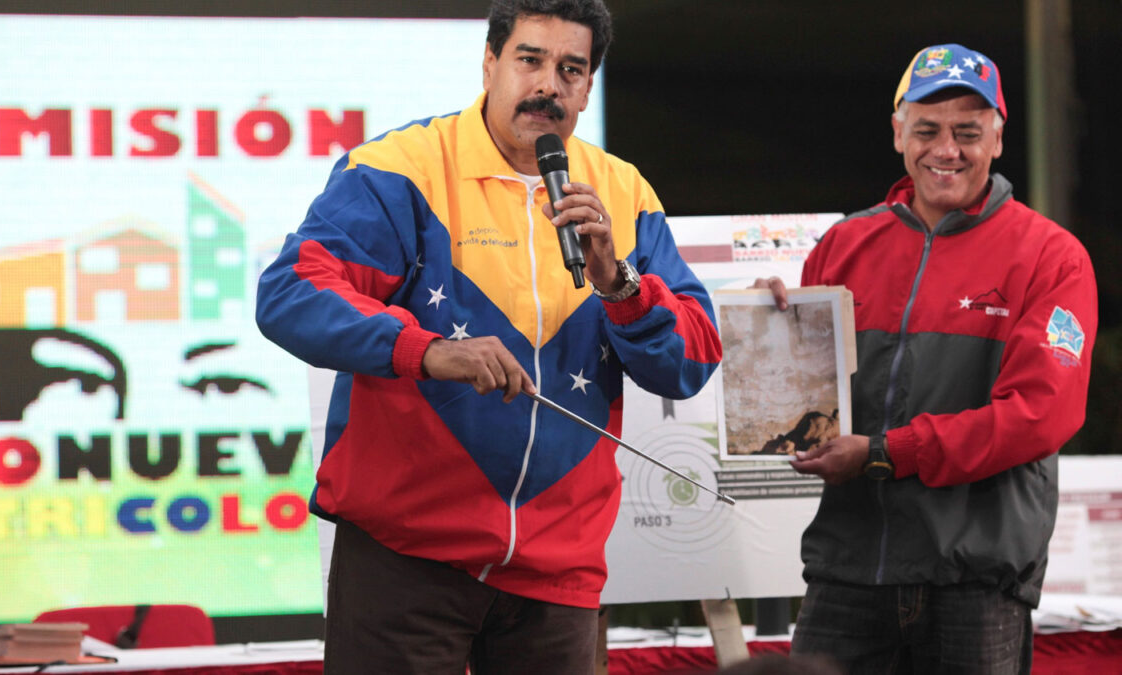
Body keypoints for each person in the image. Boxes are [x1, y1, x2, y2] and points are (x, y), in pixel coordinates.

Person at [255, 1, 722, 672]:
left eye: (571, 69)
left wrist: (618, 283)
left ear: (588, 86)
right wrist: (429, 350)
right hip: (406, 560)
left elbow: (692, 359)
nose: (547, 86)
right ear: (490, 64)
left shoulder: (623, 191)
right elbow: (290, 294)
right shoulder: (402, 167)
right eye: (529, 60)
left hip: (558, 571)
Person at [756, 43, 1098, 673]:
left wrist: (886, 454)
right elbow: (803, 406)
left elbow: (1038, 415)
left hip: (975, 581)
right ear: (897, 133)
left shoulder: (1053, 257)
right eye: (928, 130)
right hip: (849, 570)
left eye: (968, 132)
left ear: (998, 138)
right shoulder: (843, 246)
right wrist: (764, 333)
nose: (947, 150)